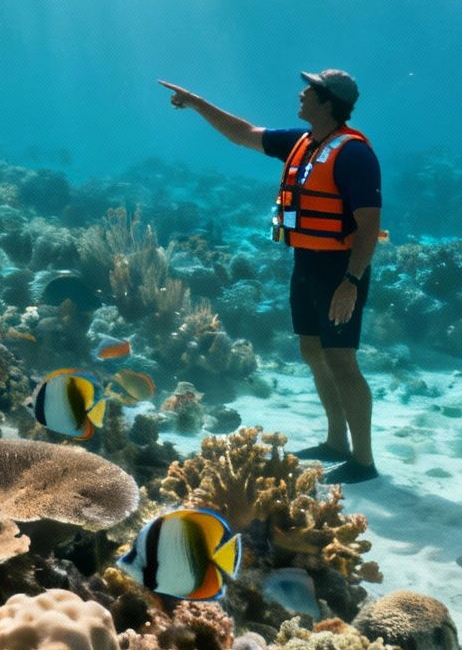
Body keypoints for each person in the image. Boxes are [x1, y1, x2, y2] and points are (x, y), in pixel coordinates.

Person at [157, 70, 384, 484]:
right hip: (306, 263)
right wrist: (196, 102)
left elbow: (368, 225)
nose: (300, 93)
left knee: (342, 361)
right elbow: (242, 133)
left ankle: (364, 462)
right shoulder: (300, 142)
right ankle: (336, 442)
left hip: (339, 269)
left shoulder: (353, 154)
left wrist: (351, 282)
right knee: (313, 351)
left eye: (310, 90)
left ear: (327, 101)